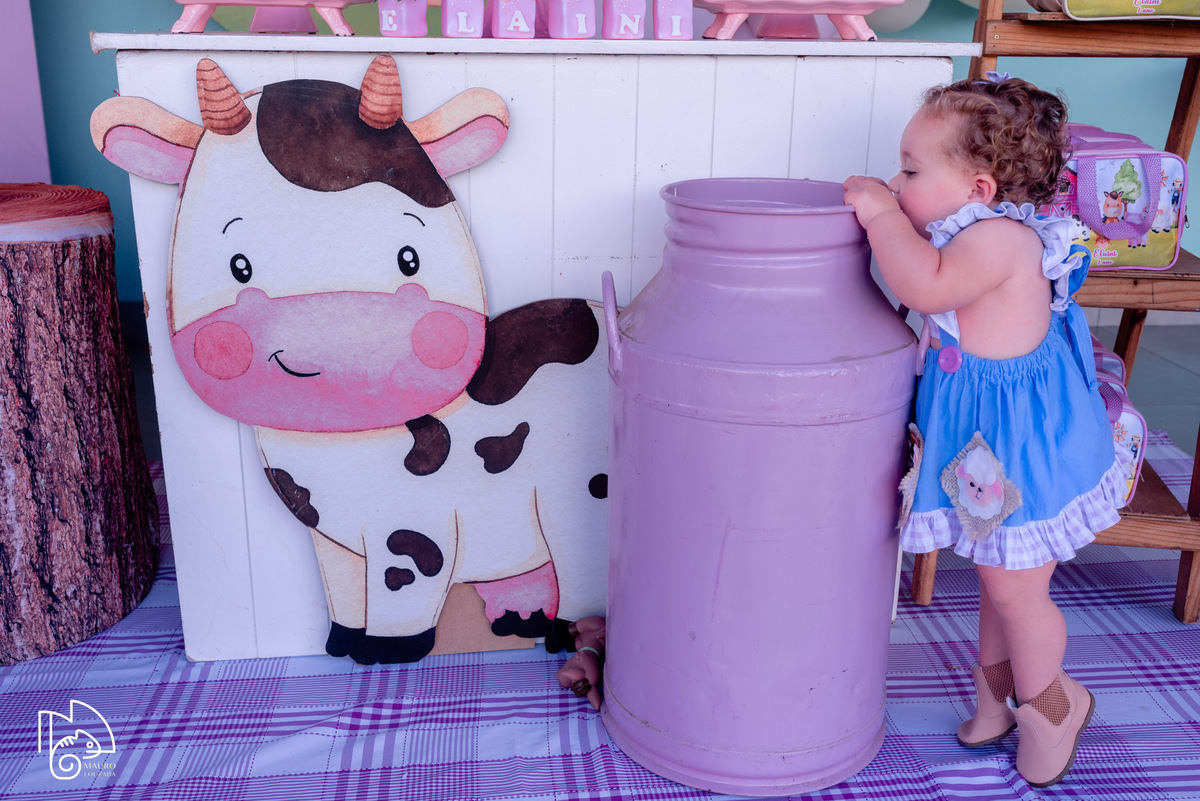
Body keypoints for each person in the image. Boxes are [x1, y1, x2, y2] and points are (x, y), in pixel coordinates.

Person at [843, 74, 1127, 788]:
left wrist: (881, 215)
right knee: (997, 579)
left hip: (1022, 450)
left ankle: (1053, 705)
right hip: (986, 450)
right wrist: (897, 210)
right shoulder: (972, 232)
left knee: (1019, 594)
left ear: (978, 189)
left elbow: (925, 286)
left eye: (911, 171)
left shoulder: (999, 240)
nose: (897, 182)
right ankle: (996, 696)